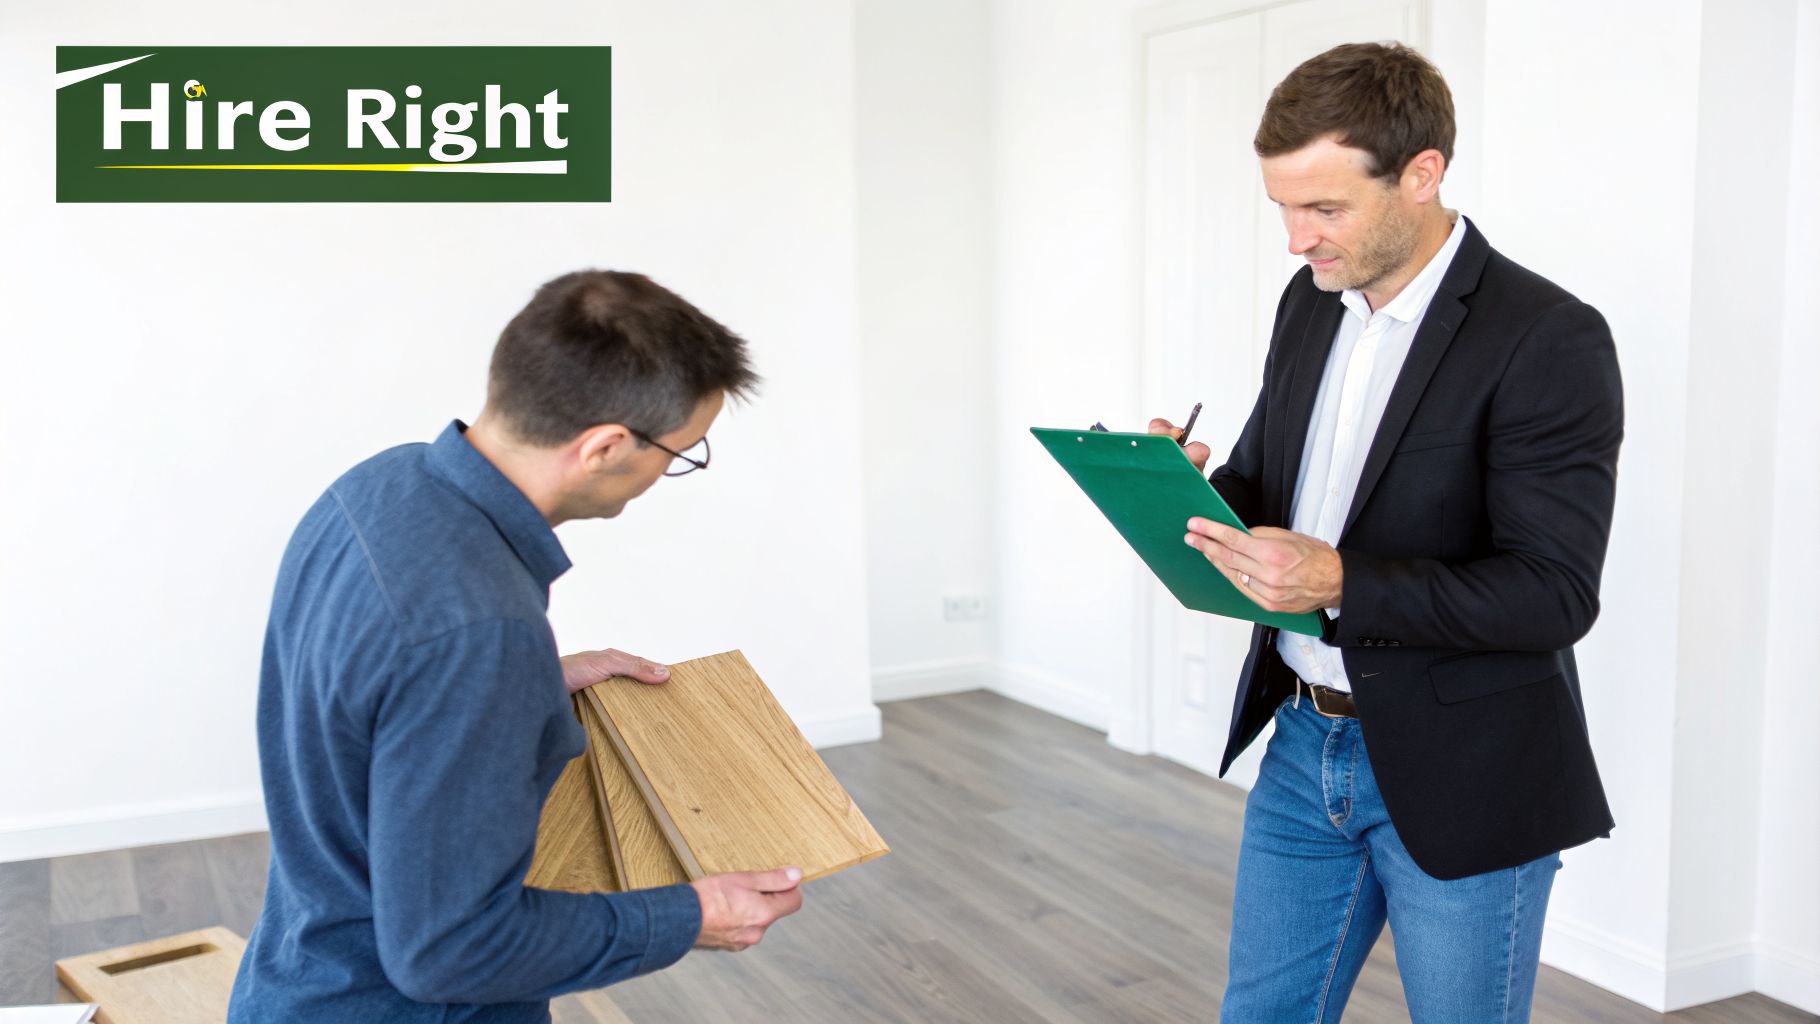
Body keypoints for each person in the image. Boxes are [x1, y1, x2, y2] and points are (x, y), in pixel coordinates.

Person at [1150, 42, 1623, 1023]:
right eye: (1282, 207)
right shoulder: (1309, 302)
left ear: (1421, 174)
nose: (1294, 241)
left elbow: (1551, 592)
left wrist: (1336, 581)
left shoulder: (1547, 337)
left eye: (1322, 209)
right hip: (1298, 743)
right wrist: (1178, 488)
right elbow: (1265, 482)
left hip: (1467, 770)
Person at [229, 271, 805, 1022]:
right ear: (605, 447)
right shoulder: (477, 629)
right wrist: (691, 914)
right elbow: (450, 949)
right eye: (682, 452)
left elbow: (370, 694)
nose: (671, 472)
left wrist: (527, 686)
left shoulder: (380, 488)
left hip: (300, 974)